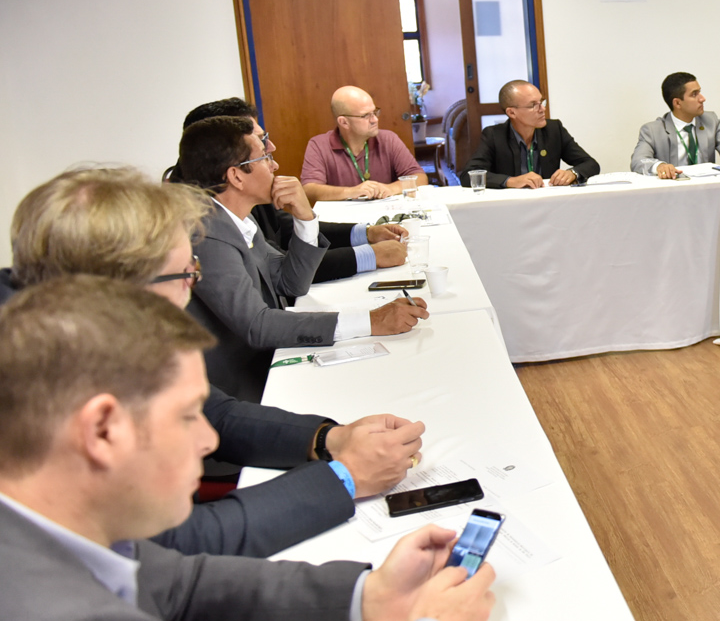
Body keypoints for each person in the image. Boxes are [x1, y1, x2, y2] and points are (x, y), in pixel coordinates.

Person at [0, 275, 494, 621]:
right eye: (187, 416)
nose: (209, 439)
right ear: (103, 430)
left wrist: (374, 593)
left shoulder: (53, 527)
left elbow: (180, 586)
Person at [2, 166, 425, 557]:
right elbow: (170, 549)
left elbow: (213, 411)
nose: (194, 288)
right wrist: (344, 479)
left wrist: (328, 439)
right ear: (120, 289)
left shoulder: (78, 327)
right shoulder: (31, 385)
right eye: (186, 273)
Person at [176, 117, 427, 403]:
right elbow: (258, 326)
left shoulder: (237, 220)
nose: (275, 166)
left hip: (267, 361)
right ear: (236, 176)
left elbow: (290, 282)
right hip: (244, 388)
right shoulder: (207, 233)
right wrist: (370, 321)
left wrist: (305, 218)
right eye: (265, 158)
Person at [180, 98, 409, 279]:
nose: (271, 147)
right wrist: (369, 255)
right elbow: (285, 271)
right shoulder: (207, 220)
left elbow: (286, 229)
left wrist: (365, 233)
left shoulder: (243, 188)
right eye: (260, 141)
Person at [461, 80, 600, 188]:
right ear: (512, 112)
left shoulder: (554, 130)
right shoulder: (494, 135)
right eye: (534, 105)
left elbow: (591, 164)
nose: (542, 109)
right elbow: (468, 175)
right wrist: (510, 181)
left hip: (549, 202)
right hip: (510, 206)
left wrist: (572, 173)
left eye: (542, 102)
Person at [302, 86, 429, 202]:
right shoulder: (319, 145)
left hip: (386, 213)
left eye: (375, 112)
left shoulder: (389, 139)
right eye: (365, 116)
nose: (375, 119)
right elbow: (309, 189)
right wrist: (351, 192)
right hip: (344, 218)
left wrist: (390, 188)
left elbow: (420, 177)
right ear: (344, 122)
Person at [632, 73, 720, 178]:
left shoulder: (711, 121)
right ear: (677, 103)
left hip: (706, 189)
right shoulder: (652, 130)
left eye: (700, 92)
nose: (702, 99)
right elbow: (638, 160)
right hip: (672, 190)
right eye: (694, 94)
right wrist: (659, 166)